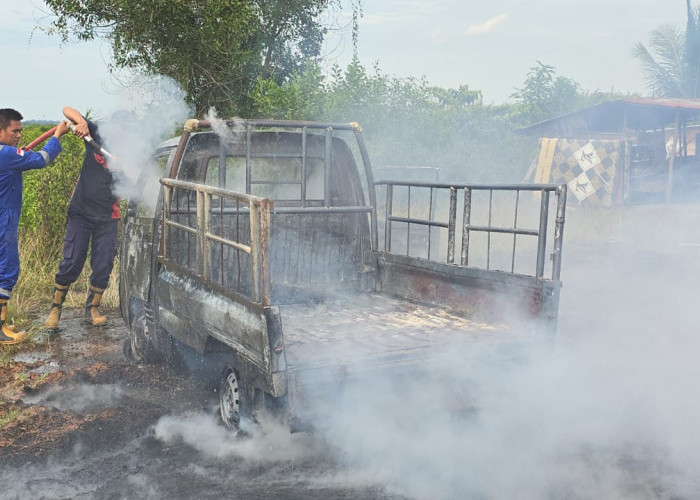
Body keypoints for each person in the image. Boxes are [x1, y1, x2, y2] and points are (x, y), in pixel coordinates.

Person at [43, 107, 134, 331]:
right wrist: (81, 122)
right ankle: (55, 309)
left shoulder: (133, 151)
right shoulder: (97, 134)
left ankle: (92, 309)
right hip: (81, 211)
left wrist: (130, 170)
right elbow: (67, 110)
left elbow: (137, 181)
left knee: (103, 264)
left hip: (108, 216)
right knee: (72, 261)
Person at [0, 108, 70, 345]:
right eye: (14, 131)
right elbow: (42, 159)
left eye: (21, 131)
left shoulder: (8, 154)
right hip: (4, 217)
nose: (19, 135)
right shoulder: (7, 154)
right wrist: (57, 136)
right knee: (7, 269)